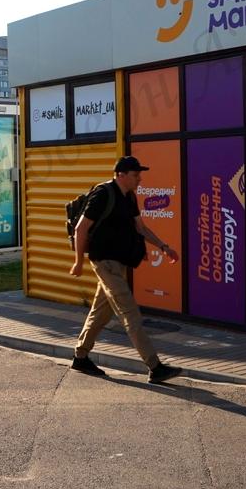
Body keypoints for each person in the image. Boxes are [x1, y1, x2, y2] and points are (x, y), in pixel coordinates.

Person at [69, 156, 183, 383]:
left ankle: (80, 357)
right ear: (120, 175)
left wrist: (164, 247)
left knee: (101, 312)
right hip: (104, 262)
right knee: (130, 312)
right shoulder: (103, 194)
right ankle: (155, 366)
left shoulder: (129, 196)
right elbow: (81, 229)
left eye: (139, 174)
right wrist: (79, 262)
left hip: (119, 264)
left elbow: (141, 228)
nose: (139, 179)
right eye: (135, 175)